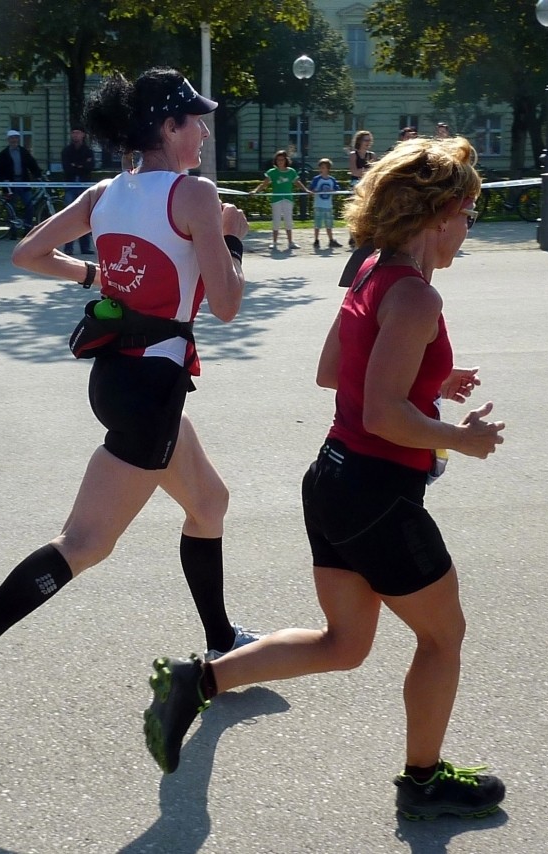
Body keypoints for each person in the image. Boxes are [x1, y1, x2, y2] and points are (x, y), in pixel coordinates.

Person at [142, 135, 508, 822]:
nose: (469, 227)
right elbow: (382, 411)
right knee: (443, 637)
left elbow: (338, 372)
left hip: (333, 481)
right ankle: (423, 783)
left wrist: (431, 379)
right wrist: (461, 437)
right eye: (467, 213)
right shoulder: (417, 300)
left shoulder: (371, 274)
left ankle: (200, 680)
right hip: (376, 493)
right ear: (436, 215)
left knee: (344, 644)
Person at [0, 67, 261, 737]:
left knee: (208, 502)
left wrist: (93, 272)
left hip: (116, 375)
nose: (204, 130)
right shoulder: (195, 195)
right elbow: (225, 305)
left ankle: (222, 640)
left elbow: (26, 253)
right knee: (85, 542)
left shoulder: (106, 193)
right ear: (167, 127)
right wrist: (233, 236)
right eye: (195, 119)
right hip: (152, 392)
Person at [251, 150, 307, 251]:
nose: (280, 162)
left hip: (288, 199)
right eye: (278, 160)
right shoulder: (272, 172)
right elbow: (264, 184)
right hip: (276, 199)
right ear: (275, 161)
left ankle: (290, 242)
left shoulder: (291, 172)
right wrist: (255, 191)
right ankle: (274, 242)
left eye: (282, 159)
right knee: (276, 221)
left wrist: (306, 190)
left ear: (286, 160)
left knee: (288, 221)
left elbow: (297, 183)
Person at [0, 129, 43, 229]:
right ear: (8, 140)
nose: (14, 140)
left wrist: (38, 175)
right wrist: (3, 181)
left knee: (29, 205)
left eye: (16, 138)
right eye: (11, 138)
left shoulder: (24, 152)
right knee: (12, 207)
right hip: (10, 184)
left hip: (23, 182)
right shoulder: (3, 154)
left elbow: (32, 164)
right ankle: (13, 230)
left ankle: (27, 227)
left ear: (18, 139)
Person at [61, 126, 95, 255]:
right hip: (70, 186)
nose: (75, 135)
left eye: (78, 133)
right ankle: (68, 247)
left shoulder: (88, 151)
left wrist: (75, 165)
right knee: (69, 217)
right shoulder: (66, 151)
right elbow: (67, 168)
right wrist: (81, 165)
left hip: (84, 187)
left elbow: (90, 167)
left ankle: (85, 247)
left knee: (85, 217)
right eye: (73, 133)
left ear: (83, 135)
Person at [348, 130, 376, 246]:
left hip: (367, 184)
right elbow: (354, 171)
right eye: (366, 140)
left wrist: (364, 172)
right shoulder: (353, 155)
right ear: (359, 141)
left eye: (369, 140)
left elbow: (374, 171)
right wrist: (365, 172)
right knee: (355, 209)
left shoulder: (372, 155)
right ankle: (352, 235)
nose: (368, 142)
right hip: (356, 184)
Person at [309, 157, 342, 249]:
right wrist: (314, 191)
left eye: (324, 167)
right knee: (317, 224)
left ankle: (331, 240)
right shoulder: (317, 179)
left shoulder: (331, 179)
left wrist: (333, 190)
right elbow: (311, 189)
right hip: (318, 205)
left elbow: (336, 188)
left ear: (328, 169)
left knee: (329, 224)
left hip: (328, 205)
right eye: (321, 167)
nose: (322, 169)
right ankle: (316, 240)